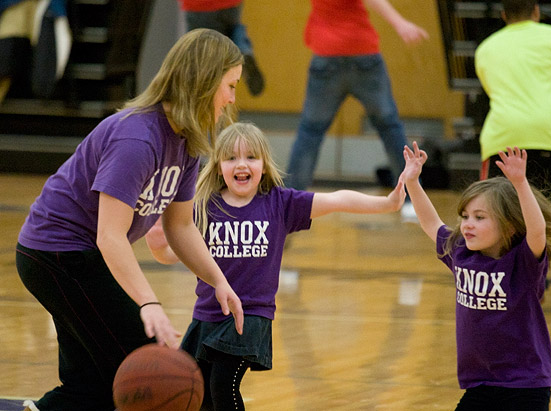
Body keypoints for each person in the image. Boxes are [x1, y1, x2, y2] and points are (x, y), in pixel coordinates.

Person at [15, 28, 245, 411]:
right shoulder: (138, 138)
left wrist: (218, 280)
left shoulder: (187, 141)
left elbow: (180, 226)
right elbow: (109, 235)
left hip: (75, 256)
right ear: (204, 82)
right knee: (162, 372)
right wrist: (148, 303)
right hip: (58, 254)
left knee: (89, 390)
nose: (233, 98)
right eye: (231, 85)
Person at [145, 121, 406, 410]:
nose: (240, 164)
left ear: (264, 166)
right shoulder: (204, 205)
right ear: (219, 166)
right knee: (199, 394)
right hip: (207, 315)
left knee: (223, 383)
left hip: (250, 316)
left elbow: (337, 199)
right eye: (231, 158)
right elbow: (176, 254)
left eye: (250, 157)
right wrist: (158, 245)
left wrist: (388, 203)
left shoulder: (280, 204)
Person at [402, 142, 551, 411]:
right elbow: (431, 222)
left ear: (509, 226)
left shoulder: (522, 263)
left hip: (525, 384)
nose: (467, 223)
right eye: (465, 216)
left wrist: (520, 184)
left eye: (479, 217)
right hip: (480, 383)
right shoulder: (460, 253)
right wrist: (413, 182)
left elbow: (536, 230)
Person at [284, 0, 429, 222]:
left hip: (326, 53)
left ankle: (289, 204)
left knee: (310, 132)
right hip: (363, 53)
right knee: (389, 127)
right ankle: (412, 199)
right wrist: (399, 22)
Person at [475, 0, 551, 201]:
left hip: (504, 139)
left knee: (500, 219)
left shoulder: (485, 48)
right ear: (536, 12)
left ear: (504, 15)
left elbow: (491, 90)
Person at [179, 0, 265, 96]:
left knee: (203, 52)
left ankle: (206, 95)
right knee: (232, 29)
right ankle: (243, 50)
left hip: (199, 7)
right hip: (231, 4)